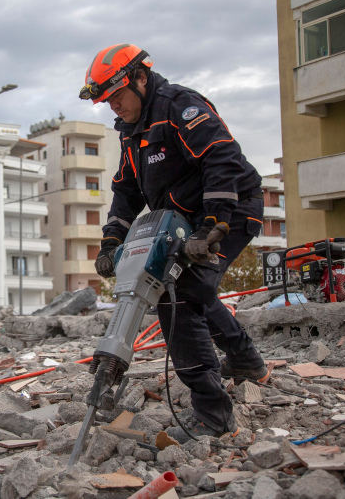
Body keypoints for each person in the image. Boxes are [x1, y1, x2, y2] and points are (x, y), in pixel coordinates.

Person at [80, 44, 268, 442]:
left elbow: (222, 157)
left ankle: (213, 414)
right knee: (192, 288)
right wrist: (111, 242)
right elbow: (126, 191)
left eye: (117, 95)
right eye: (106, 101)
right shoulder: (133, 133)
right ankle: (247, 360)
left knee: (177, 295)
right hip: (188, 219)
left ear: (141, 79)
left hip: (232, 206)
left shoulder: (179, 106)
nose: (113, 106)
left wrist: (214, 223)